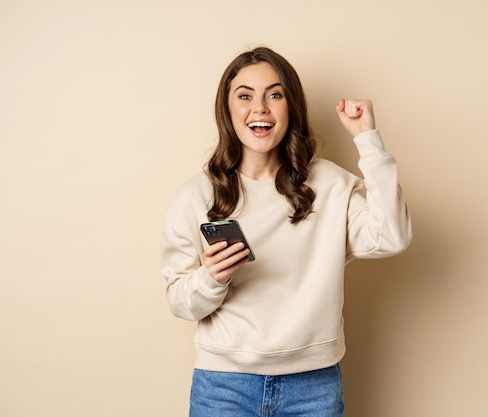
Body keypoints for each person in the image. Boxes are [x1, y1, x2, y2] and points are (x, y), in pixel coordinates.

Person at [160, 46, 412, 417]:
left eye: (274, 95)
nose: (259, 108)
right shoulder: (197, 195)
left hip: (313, 386)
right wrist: (212, 277)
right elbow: (180, 302)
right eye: (244, 96)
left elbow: (393, 236)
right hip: (224, 386)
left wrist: (367, 140)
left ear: (290, 106)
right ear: (228, 110)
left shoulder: (330, 184)